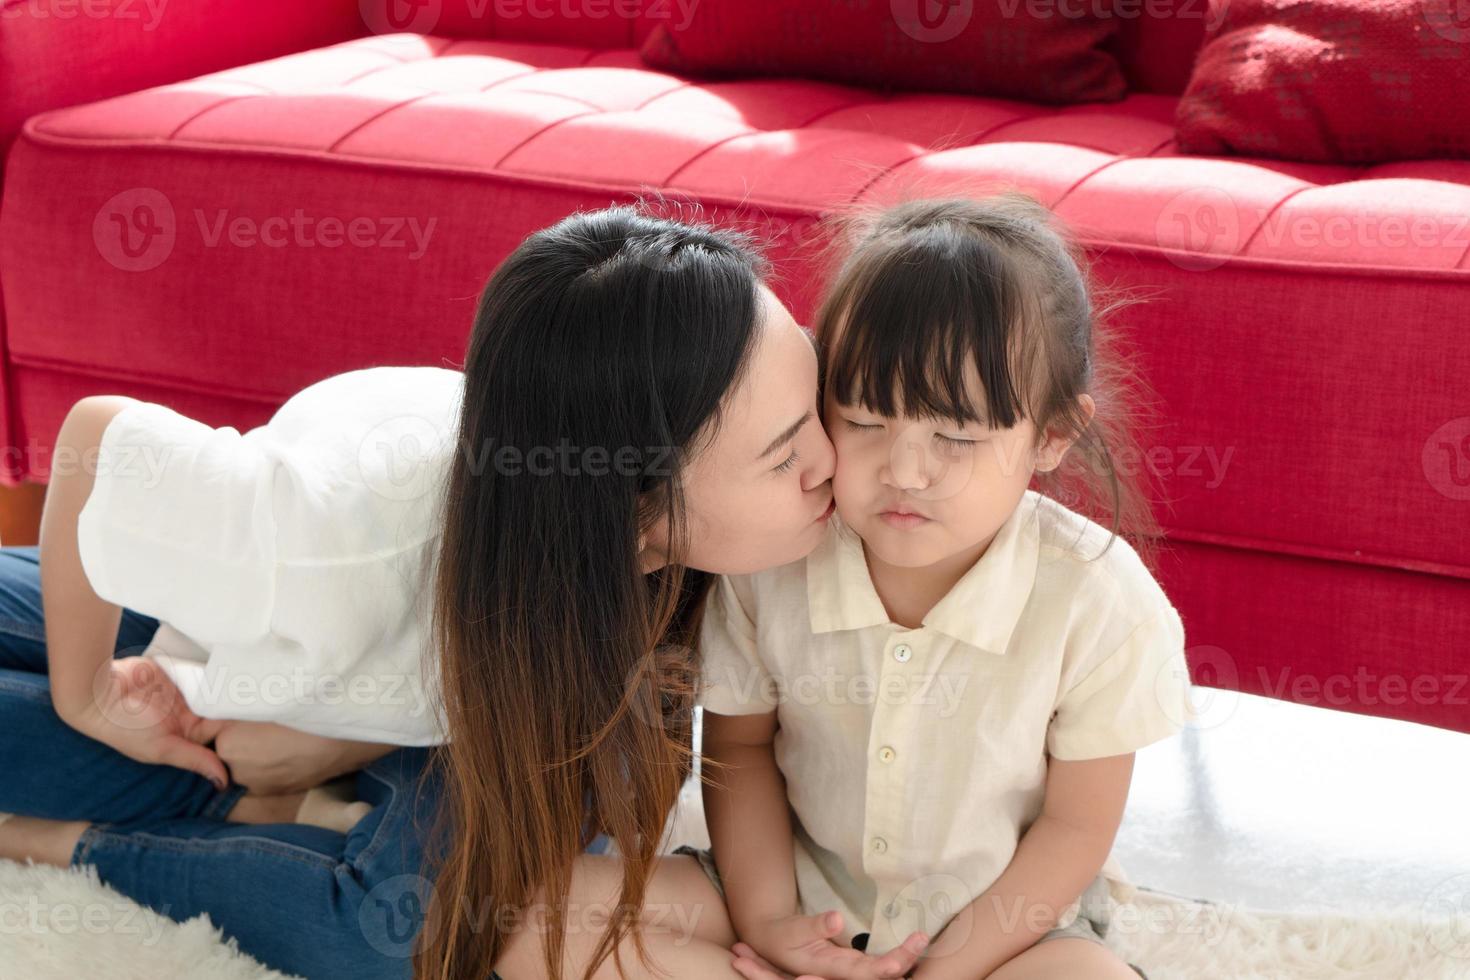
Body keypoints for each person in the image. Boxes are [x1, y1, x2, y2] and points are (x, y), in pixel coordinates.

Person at [0, 202, 882, 980]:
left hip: (394, 679)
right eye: (781, 455)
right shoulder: (324, 539)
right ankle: (77, 834)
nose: (828, 462)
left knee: (426, 926)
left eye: (811, 411)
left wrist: (329, 739)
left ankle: (281, 780)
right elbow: (98, 440)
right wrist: (87, 699)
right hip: (238, 620)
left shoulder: (620, 551)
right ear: (638, 501)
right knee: (372, 920)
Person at [678, 194, 1196, 980]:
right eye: (863, 420)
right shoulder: (777, 559)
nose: (906, 472)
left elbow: (1074, 827)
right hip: (796, 898)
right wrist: (773, 924)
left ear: (1052, 435)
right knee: (548, 920)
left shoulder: (1098, 599)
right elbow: (740, 750)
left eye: (955, 436)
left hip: (998, 939)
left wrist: (944, 969)